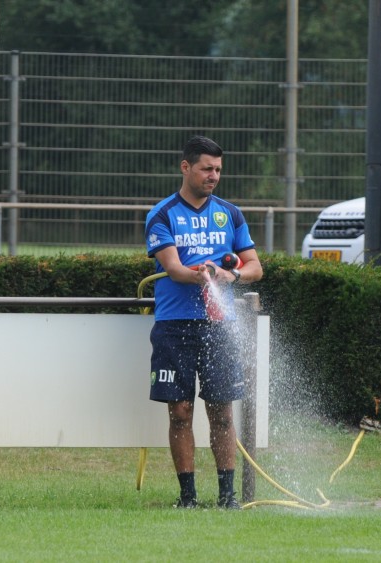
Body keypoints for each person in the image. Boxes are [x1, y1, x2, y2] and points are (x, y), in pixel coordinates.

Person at [144, 135, 263, 509]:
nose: (213, 176)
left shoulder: (230, 213)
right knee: (180, 412)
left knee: (222, 412)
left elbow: (255, 267)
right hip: (175, 326)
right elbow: (175, 269)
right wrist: (201, 274)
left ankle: (227, 497)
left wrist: (232, 276)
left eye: (218, 170)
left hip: (220, 326)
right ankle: (187, 498)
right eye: (206, 169)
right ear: (186, 167)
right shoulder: (162, 214)